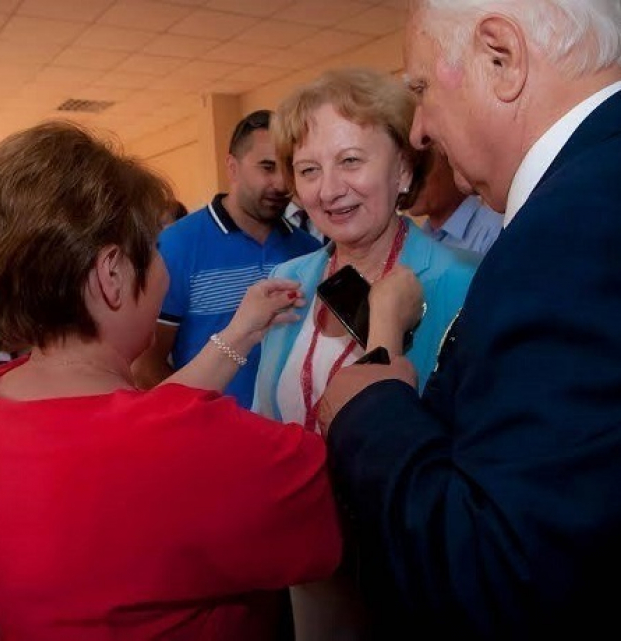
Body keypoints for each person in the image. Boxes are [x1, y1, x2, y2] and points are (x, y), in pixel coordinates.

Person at [0, 121, 342, 640]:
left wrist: (239, 333)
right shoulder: (177, 444)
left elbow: (138, 428)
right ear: (112, 274)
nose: (164, 265)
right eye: (155, 249)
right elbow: (351, 496)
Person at [321, 0, 621, 638]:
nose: (421, 130)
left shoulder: (569, 229)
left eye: (422, 90)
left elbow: (504, 579)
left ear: (501, 57)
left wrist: (370, 410)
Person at [251, 67, 478, 641]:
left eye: (351, 161)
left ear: (402, 168)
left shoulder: (465, 283)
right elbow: (265, 426)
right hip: (308, 566)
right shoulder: (288, 279)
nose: (328, 189)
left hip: (409, 568)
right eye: (309, 170)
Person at [132, 109, 321, 408]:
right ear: (232, 167)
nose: (282, 184)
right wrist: (199, 418)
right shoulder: (178, 244)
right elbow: (145, 365)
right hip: (209, 437)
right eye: (267, 167)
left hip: (289, 436)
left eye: (288, 168)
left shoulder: (308, 249)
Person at [406, 147, 502, 254]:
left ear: (454, 165)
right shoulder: (416, 241)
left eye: (420, 169)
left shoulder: (493, 233)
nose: (409, 182)